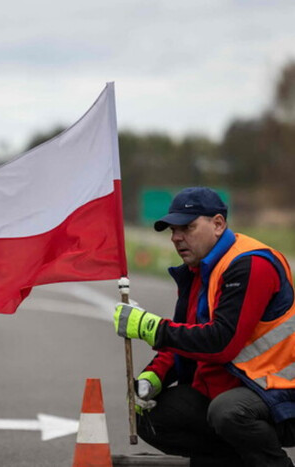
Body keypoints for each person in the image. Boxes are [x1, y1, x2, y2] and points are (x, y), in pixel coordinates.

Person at [114, 187, 295, 467]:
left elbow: (221, 342)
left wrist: (154, 328)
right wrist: (154, 375)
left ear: (218, 224)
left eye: (187, 227)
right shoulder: (201, 270)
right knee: (145, 414)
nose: (176, 237)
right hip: (241, 387)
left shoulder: (250, 264)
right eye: (173, 230)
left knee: (229, 412)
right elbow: (189, 335)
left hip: (281, 391)